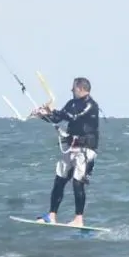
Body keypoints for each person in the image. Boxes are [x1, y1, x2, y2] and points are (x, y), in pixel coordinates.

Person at [29, 77, 100, 227]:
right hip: (71, 147)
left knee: (77, 182)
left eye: (73, 88)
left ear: (81, 89)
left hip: (85, 150)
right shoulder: (71, 103)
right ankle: (51, 215)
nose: (71, 90)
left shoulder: (91, 105)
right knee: (59, 180)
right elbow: (58, 118)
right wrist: (43, 115)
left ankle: (78, 220)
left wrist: (51, 110)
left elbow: (74, 117)